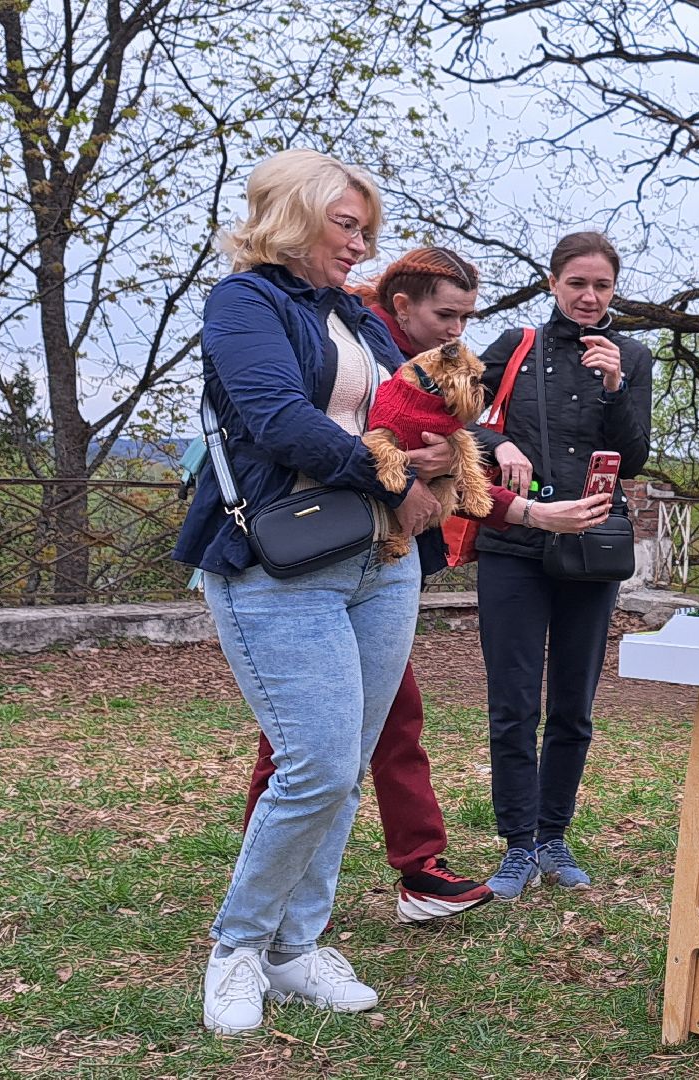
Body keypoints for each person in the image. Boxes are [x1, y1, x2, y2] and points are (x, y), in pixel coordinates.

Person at [238, 246, 615, 924]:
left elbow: (457, 463)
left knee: (388, 720)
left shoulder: (417, 367)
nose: (456, 332)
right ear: (401, 306)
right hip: (309, 560)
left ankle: (415, 870)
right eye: (447, 315)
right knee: (302, 742)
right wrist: (414, 473)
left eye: (467, 317)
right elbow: (315, 436)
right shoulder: (351, 352)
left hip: (380, 565)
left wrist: (488, 459)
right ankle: (269, 884)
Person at [174, 150, 442, 1034]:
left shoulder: (357, 319)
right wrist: (398, 481)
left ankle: (296, 946)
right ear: (292, 214)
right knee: (315, 763)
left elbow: (399, 415)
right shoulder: (242, 302)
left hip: (380, 564)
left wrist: (436, 452)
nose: (362, 242)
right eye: (346, 224)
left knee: (344, 771)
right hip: (276, 564)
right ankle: (238, 948)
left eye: (367, 226)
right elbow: (275, 419)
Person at [470, 231, 653, 899]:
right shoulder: (516, 346)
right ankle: (517, 844)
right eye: (577, 282)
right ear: (553, 283)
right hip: (514, 546)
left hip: (589, 547)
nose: (588, 296)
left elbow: (632, 457)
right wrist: (502, 441)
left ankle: (554, 834)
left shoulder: (630, 355)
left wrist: (615, 385)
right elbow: (457, 417)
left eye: (601, 285)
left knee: (573, 705)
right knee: (512, 704)